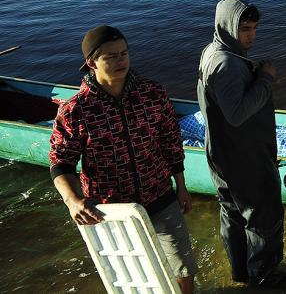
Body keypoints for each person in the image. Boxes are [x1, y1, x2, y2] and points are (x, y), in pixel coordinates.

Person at [50, 25, 197, 293]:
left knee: (182, 264)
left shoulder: (152, 93)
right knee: (130, 273)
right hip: (111, 209)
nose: (121, 60)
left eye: (124, 53)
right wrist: (73, 201)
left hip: (160, 194)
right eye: (112, 56)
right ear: (91, 62)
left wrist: (182, 186)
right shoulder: (75, 110)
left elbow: (170, 142)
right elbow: (61, 163)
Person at [197, 0, 286, 289]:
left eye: (254, 28)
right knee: (263, 215)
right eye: (245, 29)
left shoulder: (213, 51)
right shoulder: (226, 63)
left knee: (232, 212)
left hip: (222, 152)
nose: (251, 36)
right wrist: (265, 79)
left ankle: (242, 272)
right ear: (227, 25)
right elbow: (238, 113)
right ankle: (265, 276)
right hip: (244, 155)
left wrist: (254, 75)